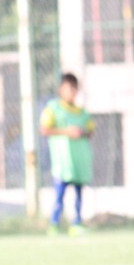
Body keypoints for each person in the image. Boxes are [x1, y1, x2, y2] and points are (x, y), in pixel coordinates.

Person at [40, 72, 94, 236]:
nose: (71, 92)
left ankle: (76, 223)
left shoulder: (81, 112)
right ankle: (54, 224)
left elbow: (90, 131)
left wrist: (80, 132)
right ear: (61, 89)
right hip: (62, 161)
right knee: (59, 194)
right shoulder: (53, 108)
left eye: (74, 88)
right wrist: (66, 131)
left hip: (79, 160)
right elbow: (44, 130)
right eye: (68, 88)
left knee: (78, 194)